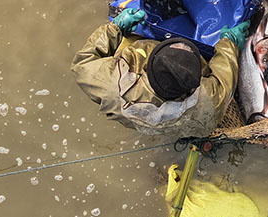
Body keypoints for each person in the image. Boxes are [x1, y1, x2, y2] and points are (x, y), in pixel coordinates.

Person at [71, 7, 248, 137]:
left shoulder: (111, 84)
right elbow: (224, 72)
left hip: (135, 114)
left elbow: (82, 64)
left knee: (125, 44)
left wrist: (115, 29)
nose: (183, 46)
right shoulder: (209, 99)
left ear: (148, 66)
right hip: (180, 124)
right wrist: (229, 43)